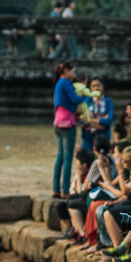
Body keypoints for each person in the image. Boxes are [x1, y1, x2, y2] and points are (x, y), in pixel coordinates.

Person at [52, 61, 86, 199]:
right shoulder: (65, 82)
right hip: (68, 123)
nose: (74, 74)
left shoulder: (59, 83)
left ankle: (55, 189)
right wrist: (85, 94)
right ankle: (65, 190)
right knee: (67, 158)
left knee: (60, 157)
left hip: (58, 122)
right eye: (73, 71)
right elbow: (74, 99)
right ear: (65, 71)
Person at [80, 78, 113, 152]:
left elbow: (108, 121)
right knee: (87, 160)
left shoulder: (108, 102)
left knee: (101, 161)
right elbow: (82, 121)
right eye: (93, 86)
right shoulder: (86, 101)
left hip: (103, 137)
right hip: (88, 137)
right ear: (90, 88)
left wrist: (90, 119)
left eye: (98, 85)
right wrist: (101, 125)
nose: (96, 88)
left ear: (102, 86)